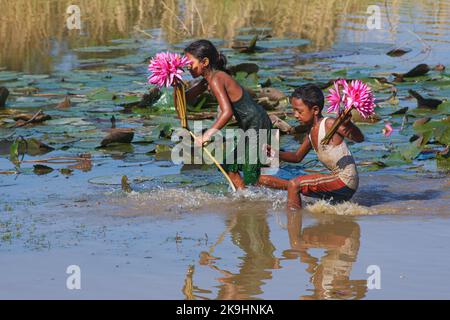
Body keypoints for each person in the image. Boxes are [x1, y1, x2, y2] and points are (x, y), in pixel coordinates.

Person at [258, 84, 364, 209]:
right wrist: (274, 153)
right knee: (264, 180)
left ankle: (293, 222)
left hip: (345, 181)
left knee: (294, 184)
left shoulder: (329, 124)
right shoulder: (311, 133)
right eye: (294, 111)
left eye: (299, 111)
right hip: (336, 182)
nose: (296, 115)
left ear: (315, 110)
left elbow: (359, 138)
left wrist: (348, 125)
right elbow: (297, 157)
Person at [184, 39, 273, 189]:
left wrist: (207, 135)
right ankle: (244, 198)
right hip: (250, 124)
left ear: (204, 62)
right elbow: (184, 98)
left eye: (190, 63)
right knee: (229, 166)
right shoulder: (208, 80)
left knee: (252, 175)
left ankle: (293, 189)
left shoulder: (216, 79)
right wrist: (174, 83)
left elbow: (227, 113)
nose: (187, 67)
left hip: (257, 123)